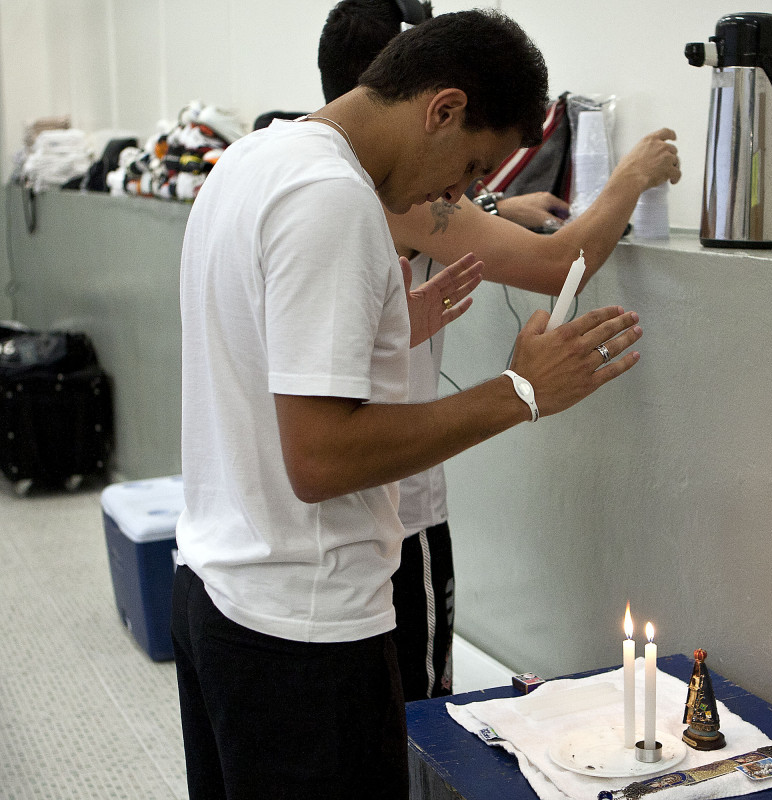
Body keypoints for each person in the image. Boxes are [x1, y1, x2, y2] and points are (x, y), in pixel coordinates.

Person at [171, 10, 643, 798]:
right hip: (303, 631)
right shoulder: (333, 198)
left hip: (218, 595)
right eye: (472, 167)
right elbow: (321, 460)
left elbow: (256, 353)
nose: (459, 196)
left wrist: (387, 329)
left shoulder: (254, 158)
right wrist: (519, 390)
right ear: (444, 108)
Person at [317, 0, 681, 700]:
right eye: (473, 166)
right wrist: (631, 176)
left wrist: (488, 210)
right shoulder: (380, 196)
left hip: (327, 542)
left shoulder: (297, 171)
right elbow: (560, 263)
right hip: (388, 515)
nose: (463, 189)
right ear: (428, 102)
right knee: (411, 712)